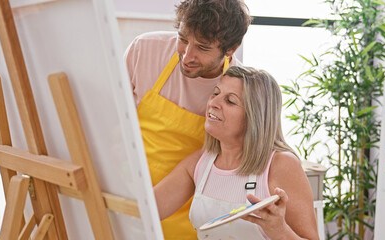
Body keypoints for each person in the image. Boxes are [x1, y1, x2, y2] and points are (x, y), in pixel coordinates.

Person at [124, 0, 251, 238]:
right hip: (129, 200)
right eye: (183, 39)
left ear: (231, 48)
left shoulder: (239, 90)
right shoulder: (145, 50)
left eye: (202, 48)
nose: (187, 56)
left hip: (191, 214)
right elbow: (112, 125)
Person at [154, 66, 319, 239]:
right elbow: (146, 209)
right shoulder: (200, 163)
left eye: (230, 101)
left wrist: (280, 230)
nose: (213, 103)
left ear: (254, 117)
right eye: (216, 93)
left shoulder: (281, 165)